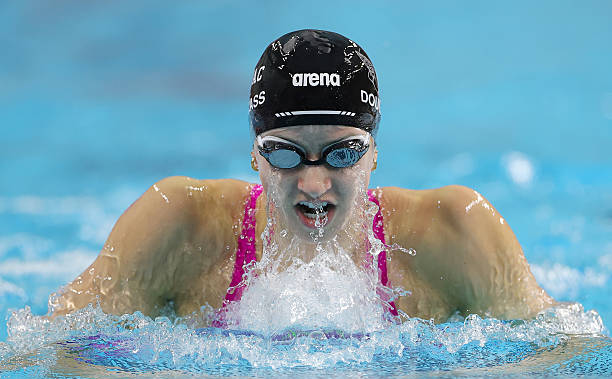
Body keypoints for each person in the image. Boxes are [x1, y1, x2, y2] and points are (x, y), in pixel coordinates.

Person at [49, 29, 555, 323]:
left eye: (341, 155)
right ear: (254, 154)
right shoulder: (177, 225)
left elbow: (560, 354)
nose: (313, 184)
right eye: (287, 156)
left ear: (373, 152)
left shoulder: (457, 233)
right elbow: (54, 351)